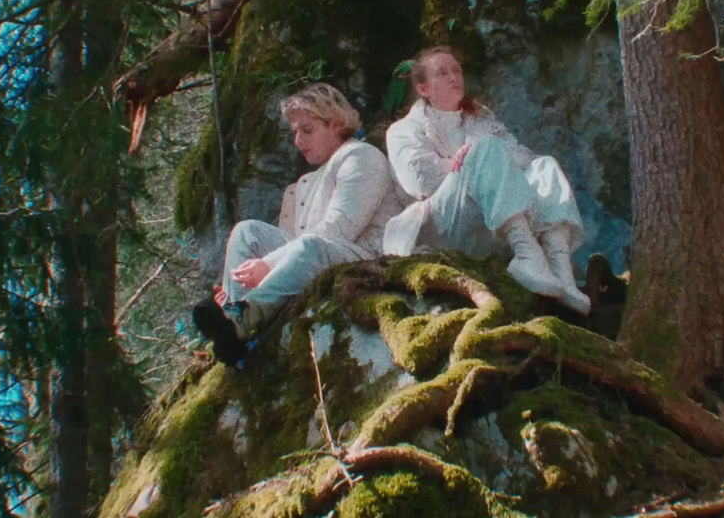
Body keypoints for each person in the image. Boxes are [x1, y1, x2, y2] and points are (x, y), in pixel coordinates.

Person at [192, 82, 403, 365]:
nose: (297, 140)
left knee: (310, 245)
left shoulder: (361, 157)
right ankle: (234, 317)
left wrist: (269, 264)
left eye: (307, 129)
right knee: (246, 231)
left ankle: (243, 319)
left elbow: (339, 230)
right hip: (317, 255)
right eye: (294, 132)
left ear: (336, 125)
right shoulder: (309, 179)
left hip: (367, 258)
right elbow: (299, 243)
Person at [383, 46, 590, 313]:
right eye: (442, 73)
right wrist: (466, 160)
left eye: (457, 70)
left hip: (489, 224)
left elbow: (524, 157)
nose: (453, 77)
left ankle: (559, 268)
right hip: (443, 228)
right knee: (487, 149)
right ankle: (526, 252)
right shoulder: (402, 130)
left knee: (544, 165)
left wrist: (481, 154)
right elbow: (419, 180)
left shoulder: (482, 119)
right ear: (423, 89)